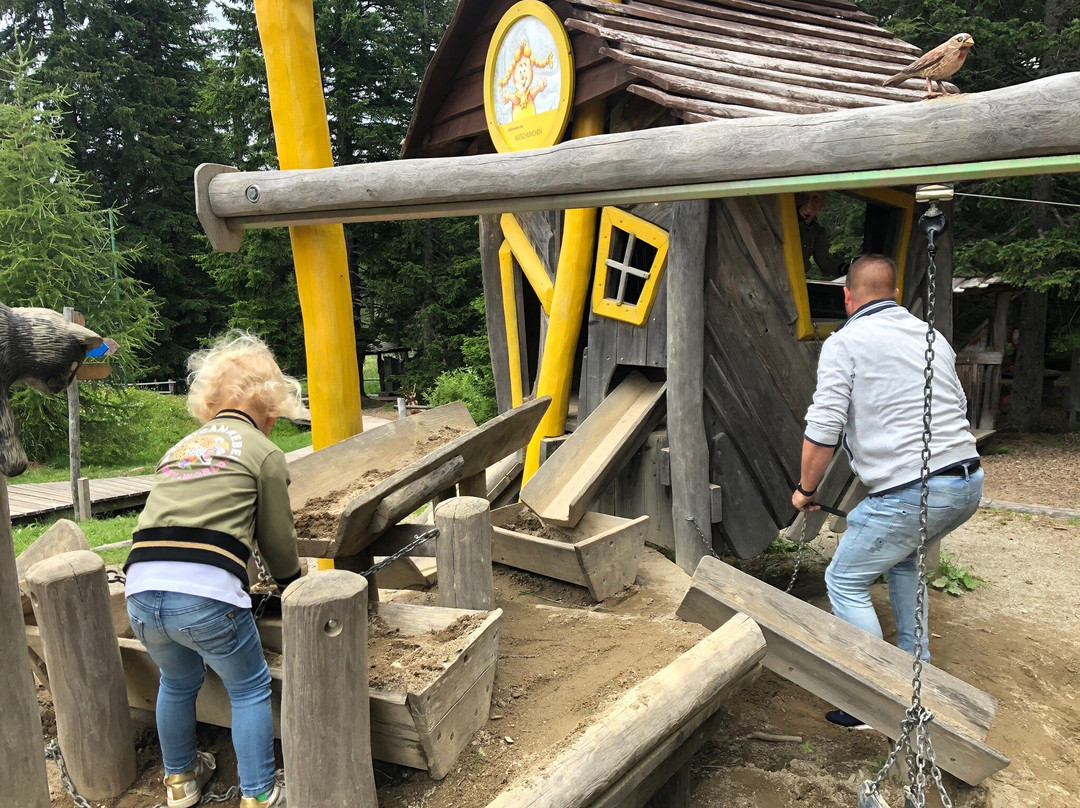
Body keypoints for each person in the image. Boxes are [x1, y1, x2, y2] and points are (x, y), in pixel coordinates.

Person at [792, 254, 983, 729]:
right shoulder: (931, 336)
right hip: (967, 480)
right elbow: (957, 404)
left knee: (844, 580)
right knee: (902, 563)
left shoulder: (845, 342)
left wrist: (804, 489)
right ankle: (916, 672)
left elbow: (824, 427)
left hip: (914, 490)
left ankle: (868, 700)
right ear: (896, 293)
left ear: (847, 296)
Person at [124, 333, 304, 807]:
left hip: (141, 589)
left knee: (177, 681)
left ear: (208, 405)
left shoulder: (179, 448)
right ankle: (259, 793)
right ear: (270, 408)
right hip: (204, 595)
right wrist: (290, 583)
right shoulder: (263, 452)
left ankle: (180, 780)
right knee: (248, 686)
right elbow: (278, 537)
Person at [795, 191, 845, 278]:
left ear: (823, 203)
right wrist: (798, 216)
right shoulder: (783, 222)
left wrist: (847, 269)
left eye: (815, 198)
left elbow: (825, 263)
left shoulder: (817, 232)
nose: (809, 202)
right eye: (804, 196)